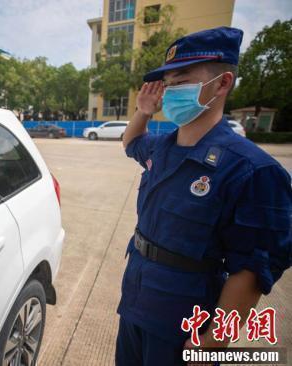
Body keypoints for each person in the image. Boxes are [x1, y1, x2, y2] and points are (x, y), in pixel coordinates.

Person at [117, 26, 292, 365]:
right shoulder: (162, 146)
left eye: (181, 81)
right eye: (168, 83)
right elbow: (130, 144)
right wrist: (143, 111)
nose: (170, 92)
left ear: (222, 83)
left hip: (183, 324)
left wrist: (212, 342)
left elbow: (252, 269)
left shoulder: (252, 170)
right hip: (137, 300)